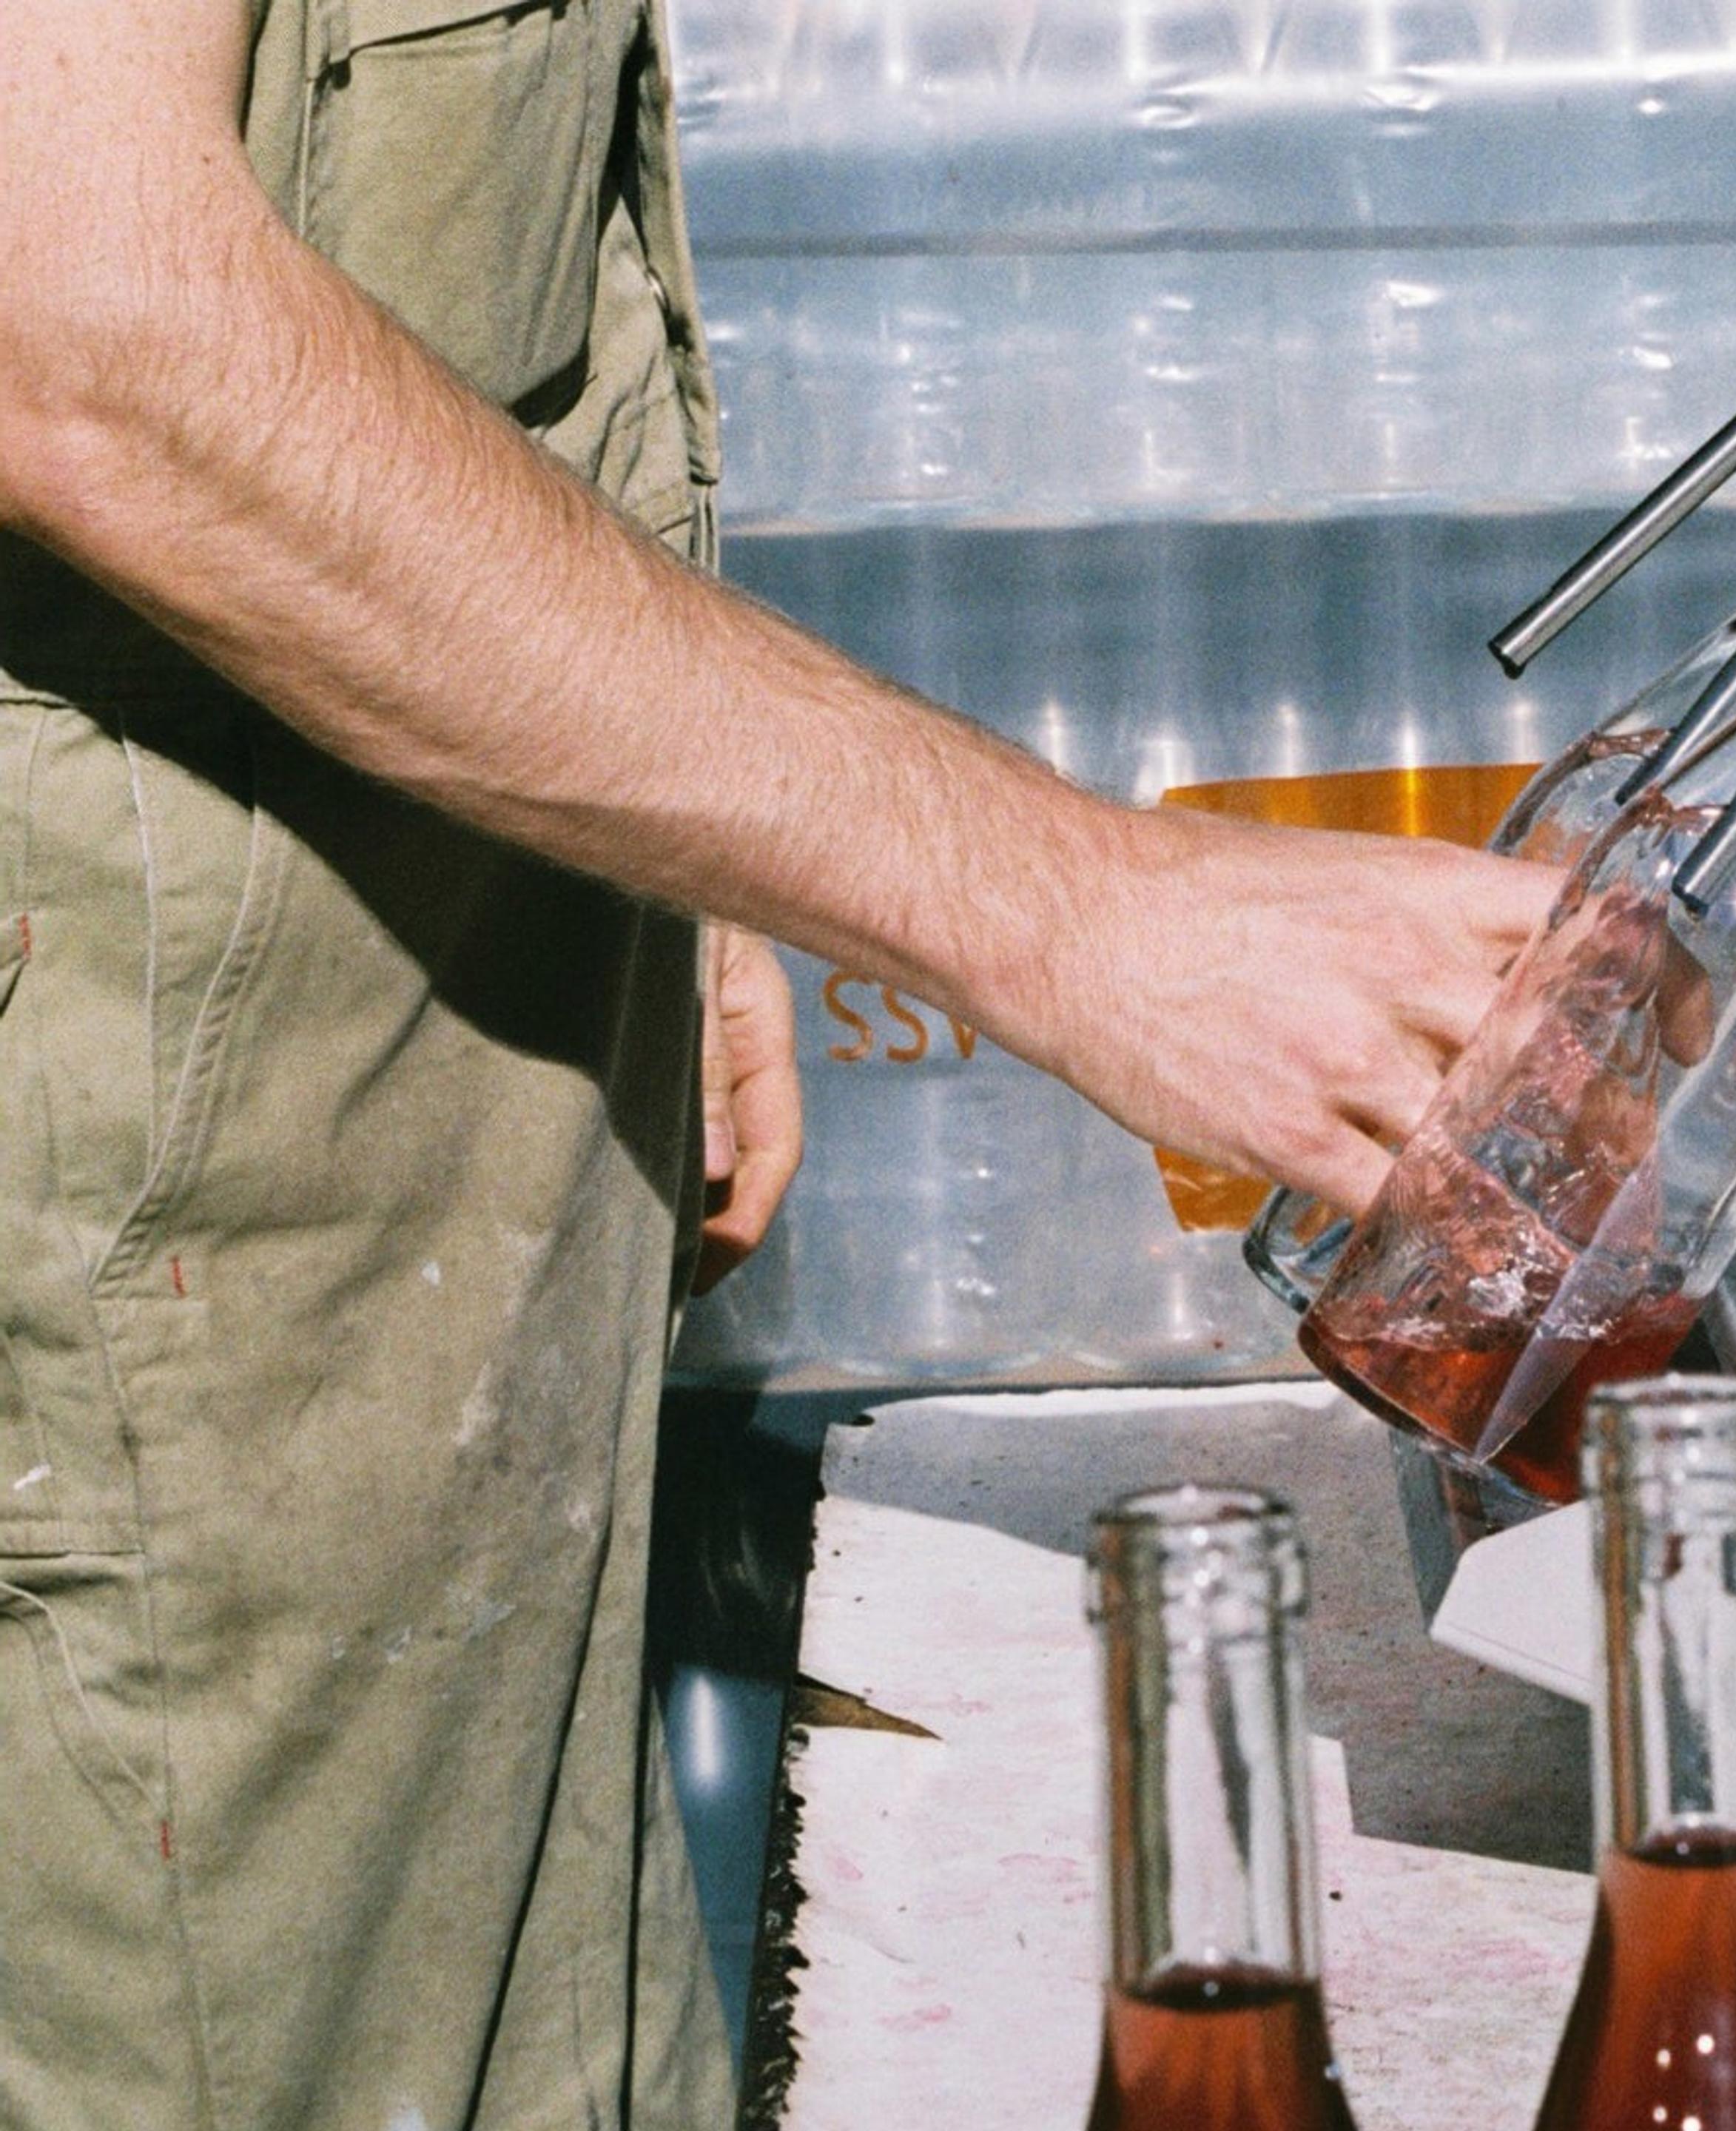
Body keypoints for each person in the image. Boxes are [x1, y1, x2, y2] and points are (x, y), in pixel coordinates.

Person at [0, 2, 1556, 2124]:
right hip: (160, 1336)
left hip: (420, 1294)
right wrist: (1068, 905)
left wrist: (645, 837)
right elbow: (76, 318)